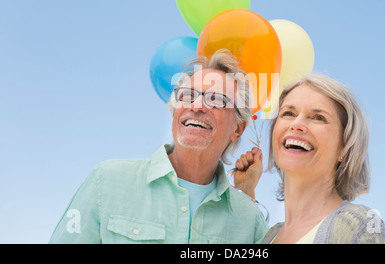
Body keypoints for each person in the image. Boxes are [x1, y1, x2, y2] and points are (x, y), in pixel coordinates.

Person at [49, 49, 268, 243]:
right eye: (188, 95)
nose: (198, 105)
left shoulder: (250, 221)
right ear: (175, 111)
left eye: (216, 99)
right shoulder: (106, 181)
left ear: (237, 129)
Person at [234, 74, 385, 244]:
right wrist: (245, 190)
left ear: (344, 147)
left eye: (318, 117)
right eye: (288, 113)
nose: (296, 124)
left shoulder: (359, 226)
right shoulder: (271, 235)